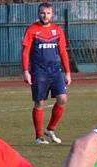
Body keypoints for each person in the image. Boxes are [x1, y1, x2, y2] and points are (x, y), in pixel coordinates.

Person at [21, 2, 71, 145]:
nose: (45, 15)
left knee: (62, 99)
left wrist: (68, 72)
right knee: (39, 103)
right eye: (43, 13)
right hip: (39, 72)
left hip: (56, 71)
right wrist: (26, 71)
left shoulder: (57, 30)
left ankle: (50, 129)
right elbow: (25, 52)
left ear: (52, 14)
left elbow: (63, 52)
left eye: (48, 13)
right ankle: (39, 137)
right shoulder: (32, 30)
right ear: (38, 13)